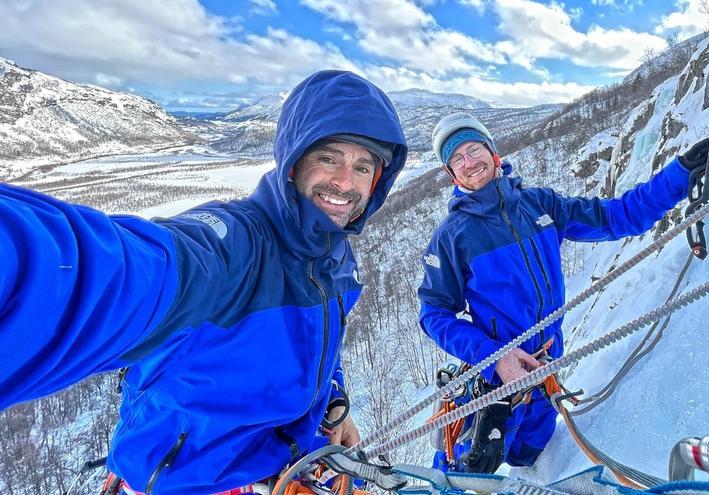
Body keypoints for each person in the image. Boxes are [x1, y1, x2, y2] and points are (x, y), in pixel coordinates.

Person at [0, 70, 407, 494]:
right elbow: (109, 273)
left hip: (284, 468)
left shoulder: (334, 257)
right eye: (328, 158)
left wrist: (333, 402)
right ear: (293, 162)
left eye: (363, 167)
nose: (345, 182)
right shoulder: (232, 247)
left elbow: (320, 340)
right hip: (190, 482)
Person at [418, 112, 709, 473]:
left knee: (535, 463)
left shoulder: (539, 206)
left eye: (473, 149)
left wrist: (682, 173)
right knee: (460, 476)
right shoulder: (452, 237)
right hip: (494, 383)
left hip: (544, 374)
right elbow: (434, 314)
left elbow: (618, 216)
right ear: (452, 174)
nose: (469, 163)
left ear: (492, 152)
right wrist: (494, 357)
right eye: (457, 159)